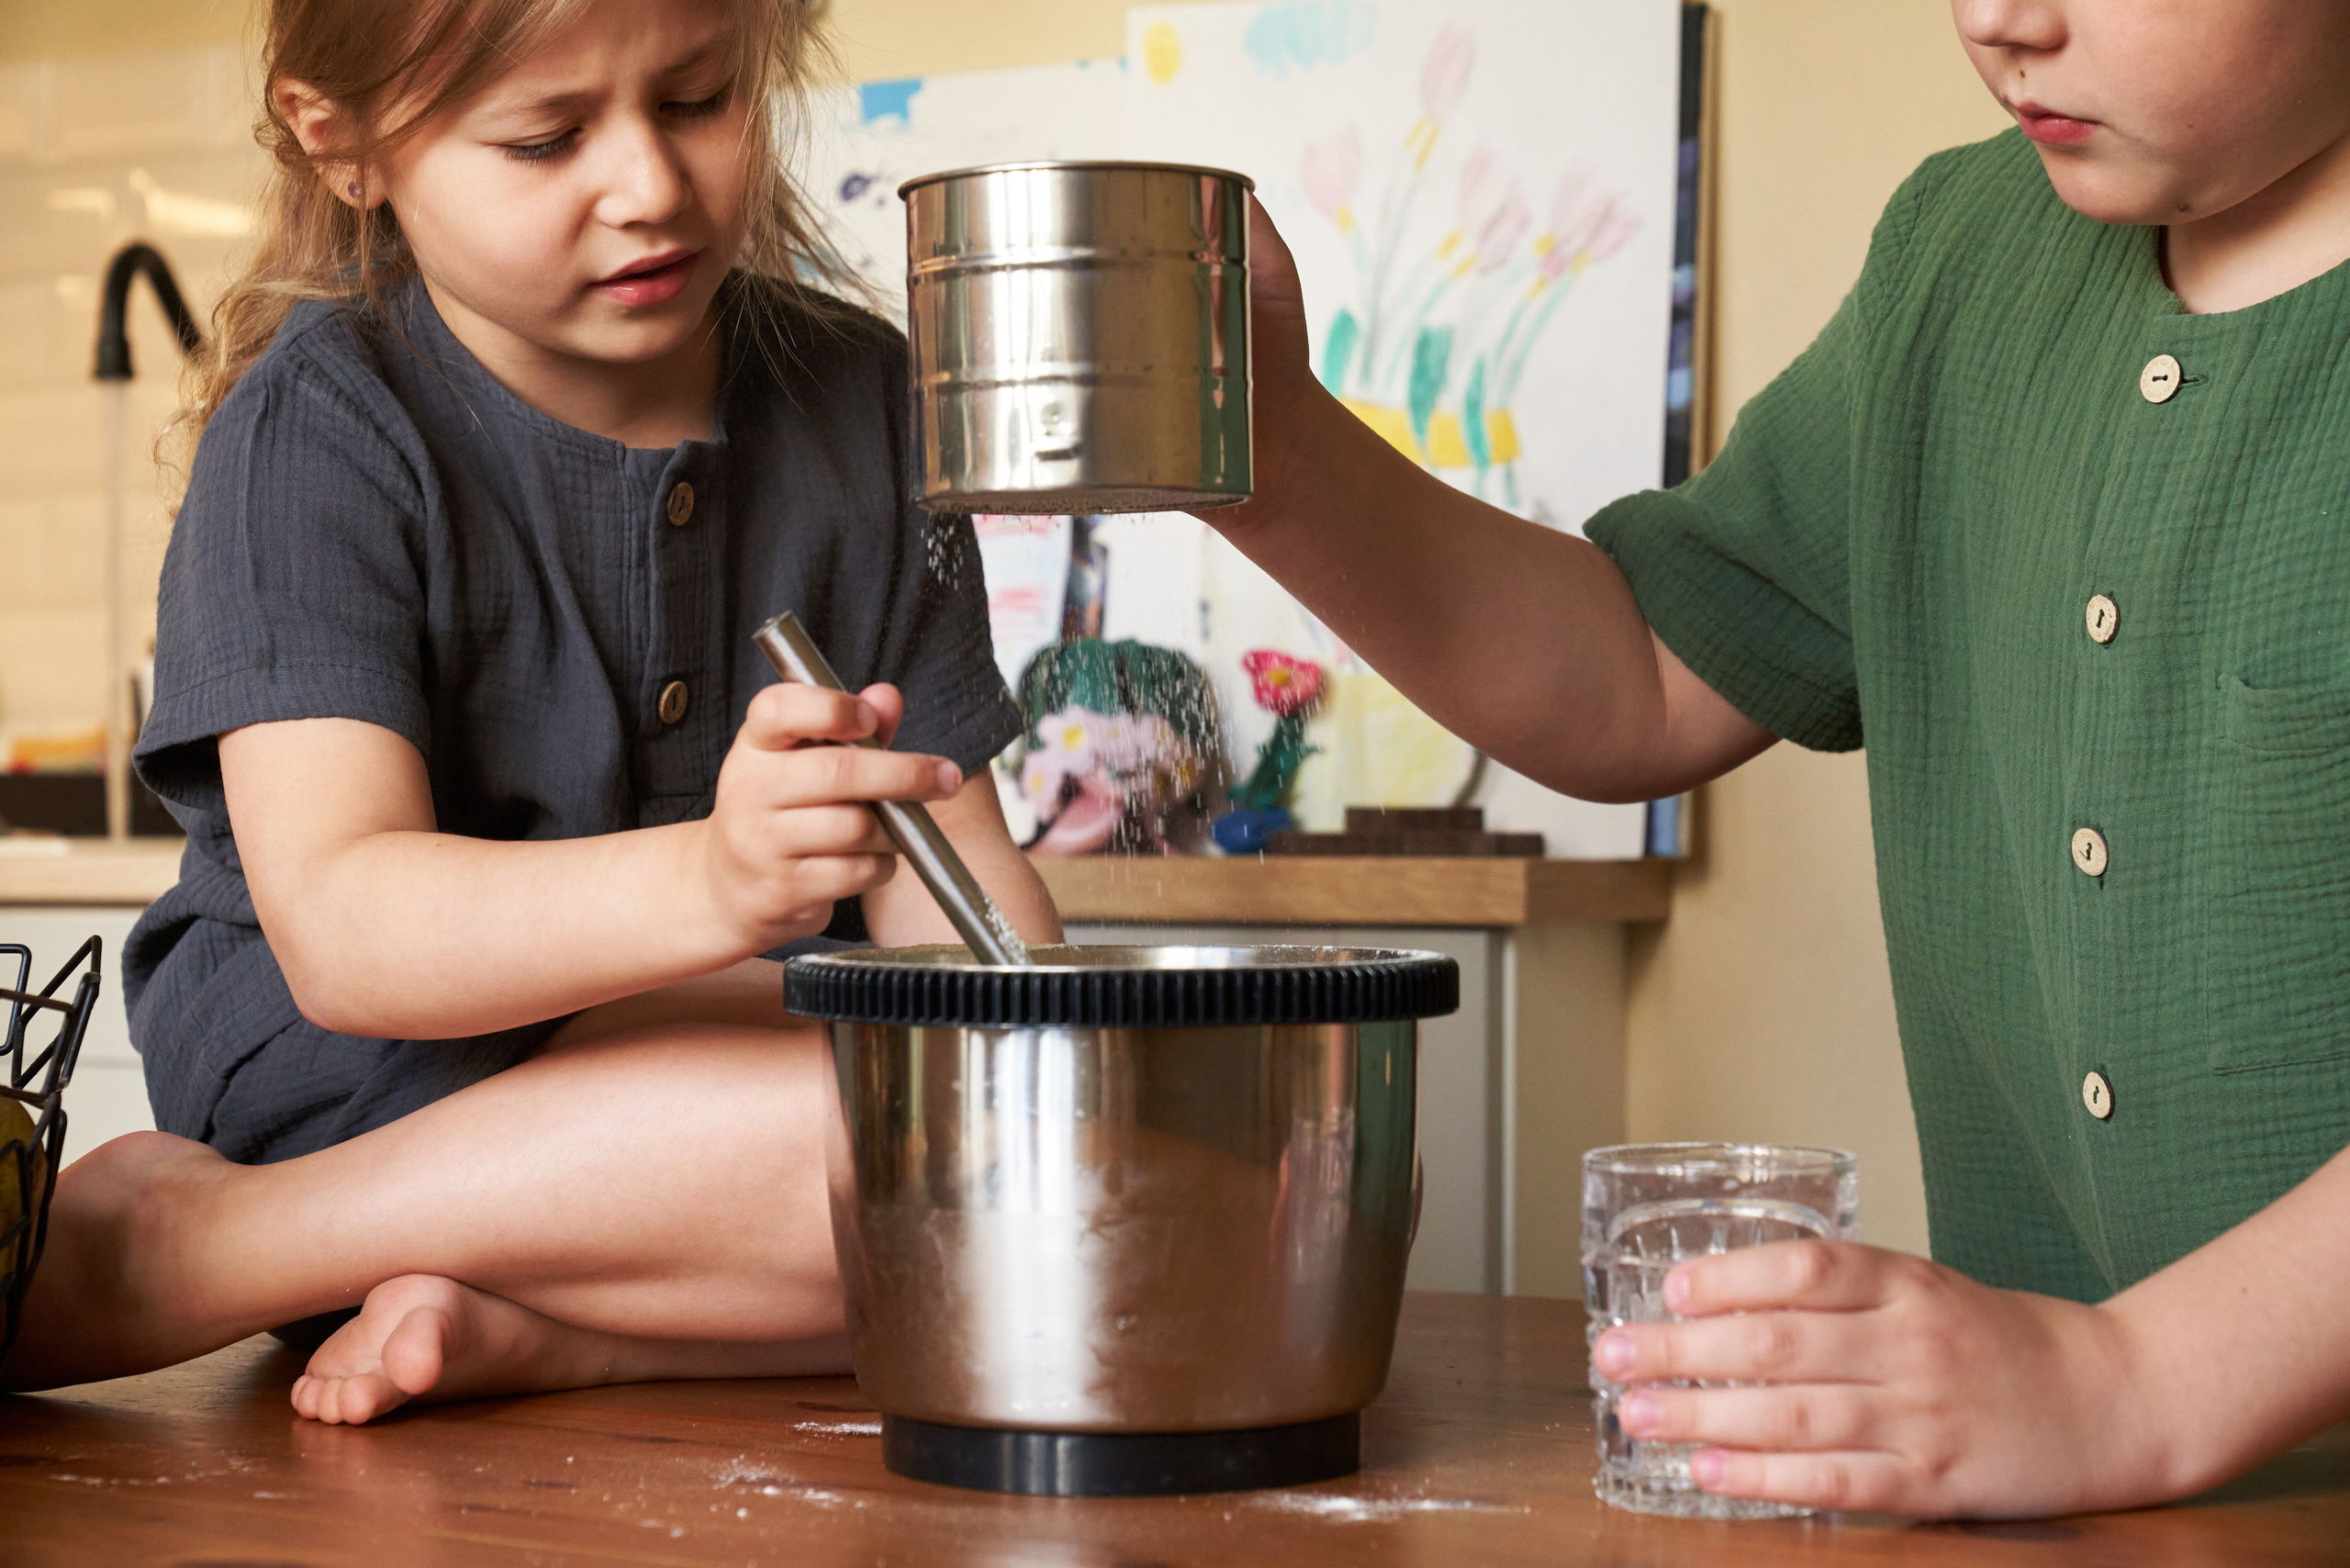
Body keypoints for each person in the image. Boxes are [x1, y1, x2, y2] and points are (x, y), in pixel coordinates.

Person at [1214, 0, 2350, 1520]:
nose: (1999, 17)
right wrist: (1275, 453)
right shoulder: (1962, 258)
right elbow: (1638, 673)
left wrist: (2125, 1382)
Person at [2, 0, 1058, 1423]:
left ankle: (553, 1331)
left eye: (697, 98)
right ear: (346, 142)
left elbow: (963, 884)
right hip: (364, 1081)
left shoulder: (862, 396)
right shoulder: (319, 433)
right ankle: (200, 1244)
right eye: (545, 138)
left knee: (1083, 1179)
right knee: (924, 1176)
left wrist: (1060, 1080)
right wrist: (713, 878)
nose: (650, 187)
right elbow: (349, 935)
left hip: (692, 1085)